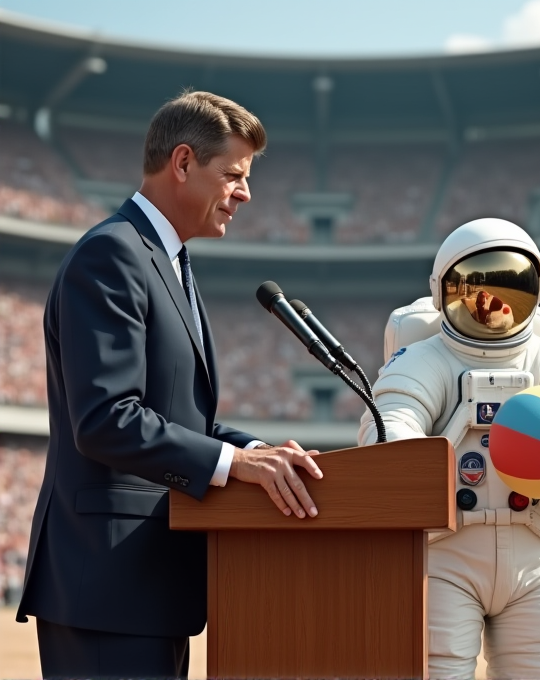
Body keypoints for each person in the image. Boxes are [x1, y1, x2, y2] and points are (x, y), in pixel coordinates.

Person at [17, 91, 323, 679]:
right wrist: (233, 464)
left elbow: (182, 421)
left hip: (146, 586)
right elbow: (107, 418)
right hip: (106, 584)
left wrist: (255, 451)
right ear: (183, 163)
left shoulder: (166, 259)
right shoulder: (112, 255)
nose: (246, 193)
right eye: (232, 174)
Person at [358, 218, 540, 679]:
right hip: (444, 558)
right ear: (442, 291)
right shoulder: (425, 360)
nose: (492, 306)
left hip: (536, 559)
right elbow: (388, 426)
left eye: (512, 286)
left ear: (537, 289)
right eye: (475, 287)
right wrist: (411, 458)